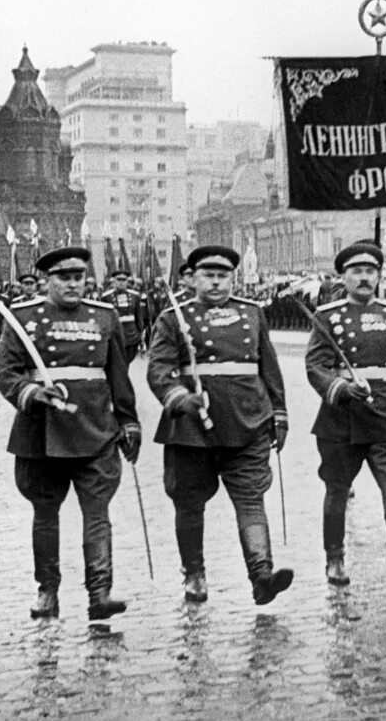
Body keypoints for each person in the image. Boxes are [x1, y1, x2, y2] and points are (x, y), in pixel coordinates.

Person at [0, 247, 141, 620]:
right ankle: (47, 590)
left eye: (78, 277)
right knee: (45, 515)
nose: (73, 284)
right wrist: (30, 393)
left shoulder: (104, 317)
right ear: (47, 280)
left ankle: (100, 592)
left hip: (95, 430)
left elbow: (118, 376)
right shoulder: (23, 318)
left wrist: (128, 421)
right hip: (40, 433)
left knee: (97, 513)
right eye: (64, 278)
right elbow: (5, 371)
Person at [147, 245, 293, 605]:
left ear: (233, 278)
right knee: (189, 503)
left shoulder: (252, 314)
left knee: (250, 498)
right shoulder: (172, 318)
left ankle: (262, 575)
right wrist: (179, 398)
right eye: (208, 276)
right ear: (193, 278)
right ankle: (194, 574)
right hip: (192, 427)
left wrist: (279, 413)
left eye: (223, 276)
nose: (216, 283)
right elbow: (159, 370)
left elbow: (268, 369)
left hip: (248, 421)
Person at [305, 242, 386, 585]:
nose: (364, 278)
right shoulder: (327, 317)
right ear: (343, 277)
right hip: (341, 419)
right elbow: (316, 367)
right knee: (337, 491)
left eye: (370, 272)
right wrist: (342, 389)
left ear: (379, 275)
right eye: (356, 272)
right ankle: (334, 559)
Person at [101, 268, 146, 362]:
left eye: (124, 280)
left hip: (132, 335)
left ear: (127, 281)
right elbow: (103, 318)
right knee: (117, 362)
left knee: (128, 360)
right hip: (115, 334)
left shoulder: (135, 296)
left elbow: (138, 317)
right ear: (113, 281)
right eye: (118, 279)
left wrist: (140, 333)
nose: (121, 282)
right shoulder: (106, 297)